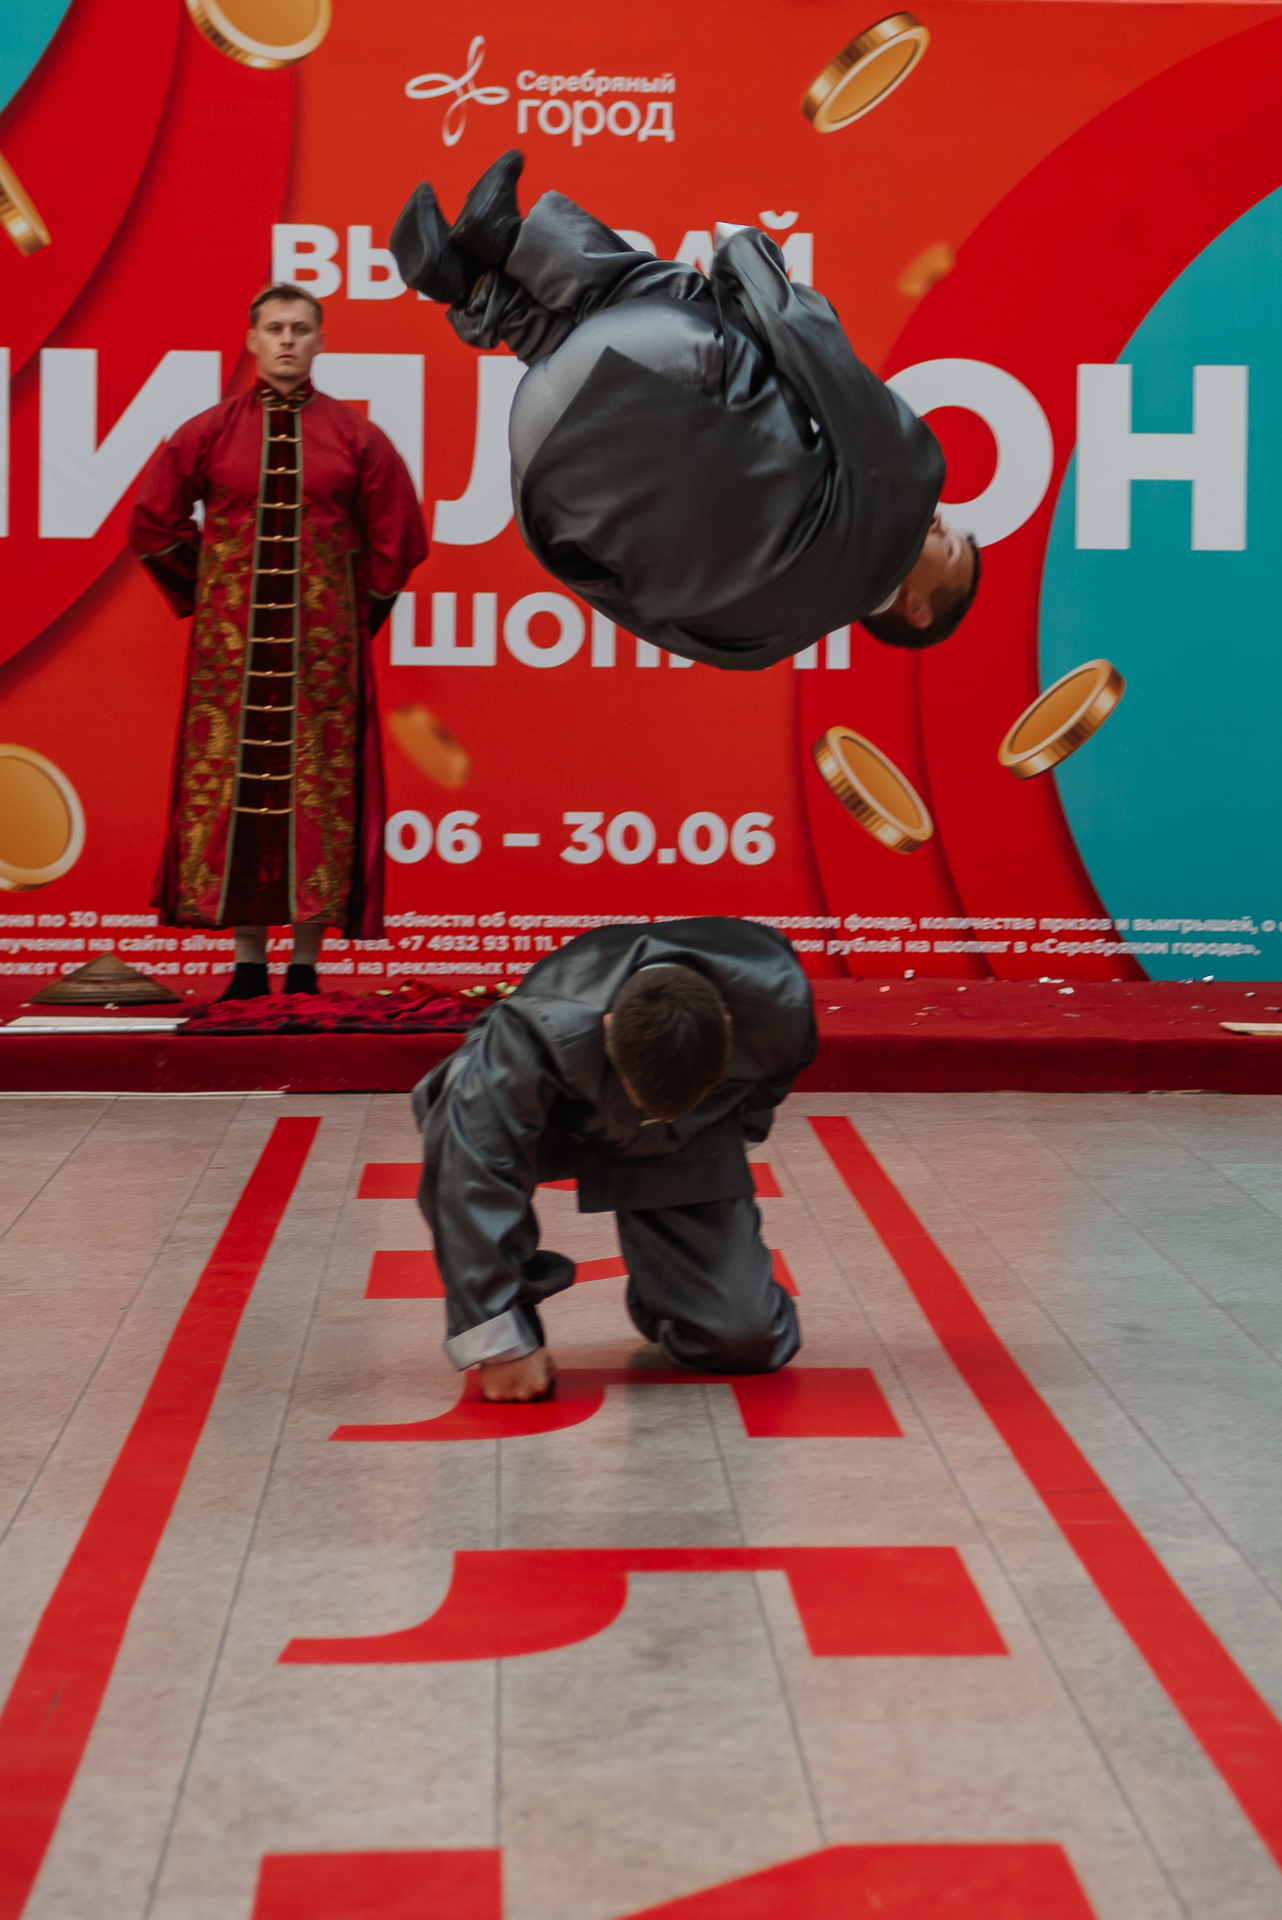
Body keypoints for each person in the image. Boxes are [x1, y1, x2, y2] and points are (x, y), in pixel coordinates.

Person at [391, 153, 979, 671]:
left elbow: (818, 354)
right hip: (542, 448)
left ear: (917, 609)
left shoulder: (910, 486)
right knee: (630, 391)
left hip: (649, 362)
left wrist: (747, 258)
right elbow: (616, 597)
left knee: (711, 313)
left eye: (949, 544)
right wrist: (541, 511)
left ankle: (507, 240)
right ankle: (467, 289)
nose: (937, 522)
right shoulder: (759, 648)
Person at [129, 284, 427, 998]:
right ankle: (246, 965)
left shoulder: (356, 438)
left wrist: (354, 618)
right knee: (235, 798)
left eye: (299, 328)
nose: (287, 340)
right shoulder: (208, 432)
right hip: (230, 661)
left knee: (318, 802)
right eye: (274, 329)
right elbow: (151, 520)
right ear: (252, 340)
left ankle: (304, 968)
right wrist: (211, 593)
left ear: (320, 340)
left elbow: (400, 535)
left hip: (321, 662)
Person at [412, 918, 816, 1403]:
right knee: (461, 1109)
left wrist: (696, 1182)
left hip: (689, 1130)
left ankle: (667, 1291)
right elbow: (471, 1169)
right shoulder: (535, 1030)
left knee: (745, 1342)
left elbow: (760, 1097)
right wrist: (500, 1345)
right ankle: (509, 1320)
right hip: (556, 1117)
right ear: (607, 1030)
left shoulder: (781, 1010)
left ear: (728, 1029)